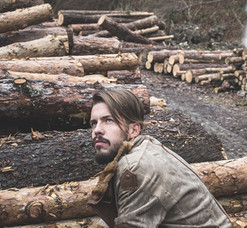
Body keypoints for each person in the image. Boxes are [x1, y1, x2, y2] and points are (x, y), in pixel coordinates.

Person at [87, 88, 233, 228]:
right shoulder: (143, 150)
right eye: (94, 123)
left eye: (108, 120)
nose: (97, 130)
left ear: (133, 130)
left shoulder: (136, 166)